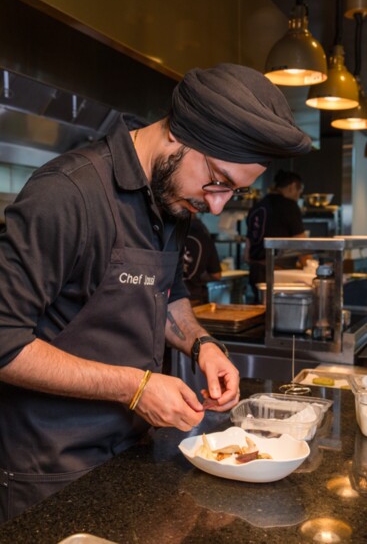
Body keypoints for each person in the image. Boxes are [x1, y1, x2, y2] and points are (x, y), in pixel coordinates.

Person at [0, 63, 311, 521]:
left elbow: (167, 291)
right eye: (219, 181)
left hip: (130, 453)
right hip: (48, 471)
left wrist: (201, 344)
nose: (217, 202)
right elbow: (4, 342)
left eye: (234, 193)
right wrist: (135, 386)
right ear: (178, 136)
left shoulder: (172, 198)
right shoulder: (66, 194)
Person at [244, 169, 307, 303]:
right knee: (277, 315)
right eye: (299, 191)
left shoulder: (257, 207)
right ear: (292, 187)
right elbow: (301, 243)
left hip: (255, 271)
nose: (298, 195)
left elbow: (247, 249)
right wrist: (308, 266)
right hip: (278, 273)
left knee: (259, 311)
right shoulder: (289, 206)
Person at [183, 215, 222, 305]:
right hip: (195, 298)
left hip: (170, 300)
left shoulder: (168, 233)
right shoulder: (204, 235)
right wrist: (202, 276)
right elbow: (216, 275)